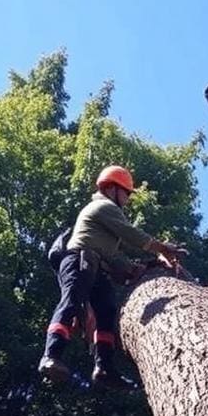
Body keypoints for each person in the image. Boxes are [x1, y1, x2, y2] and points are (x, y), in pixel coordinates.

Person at [38, 165, 186, 388]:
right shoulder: (103, 206)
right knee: (71, 301)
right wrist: (162, 248)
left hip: (96, 265)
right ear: (112, 189)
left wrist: (144, 267)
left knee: (106, 313)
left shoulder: (106, 227)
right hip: (79, 259)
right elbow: (132, 234)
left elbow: (115, 258)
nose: (128, 199)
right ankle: (50, 356)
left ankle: (104, 368)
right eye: (126, 193)